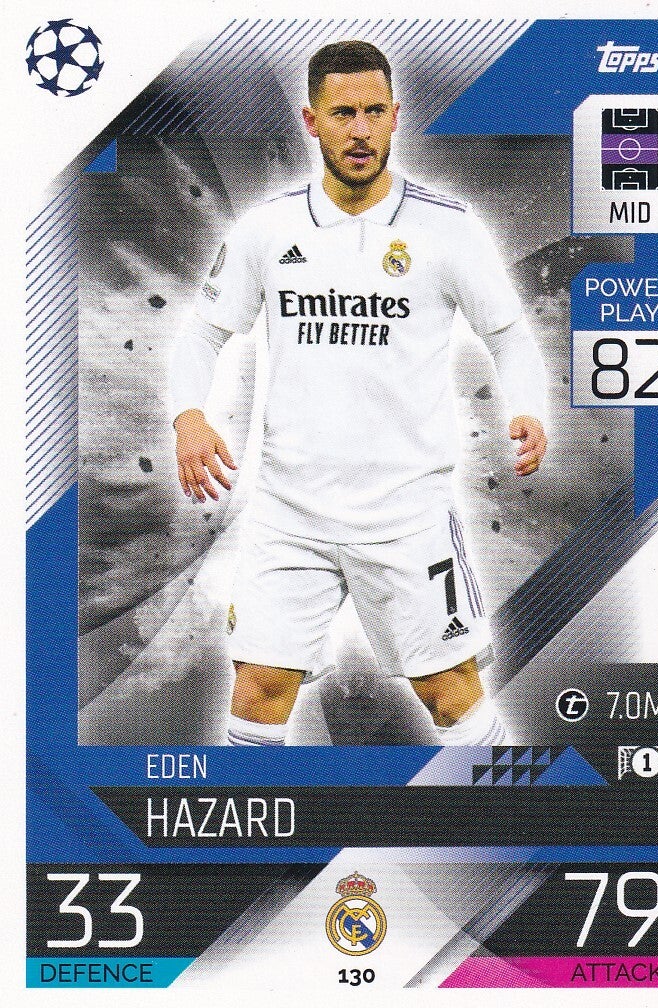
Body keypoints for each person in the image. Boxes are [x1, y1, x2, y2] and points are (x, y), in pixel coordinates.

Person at [168, 40, 548, 747]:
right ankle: (255, 826)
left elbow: (509, 335)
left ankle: (511, 810)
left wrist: (526, 407)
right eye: (344, 114)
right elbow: (200, 335)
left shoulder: (447, 228)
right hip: (290, 513)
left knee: (451, 695)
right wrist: (188, 416)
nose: (361, 130)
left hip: (407, 513)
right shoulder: (267, 229)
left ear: (396, 116)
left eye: (375, 112)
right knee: (257, 691)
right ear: (311, 121)